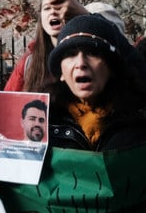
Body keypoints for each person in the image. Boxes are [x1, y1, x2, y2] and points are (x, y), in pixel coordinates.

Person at [47, 14, 146, 150]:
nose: (80, 63)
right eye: (71, 54)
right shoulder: (44, 122)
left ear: (111, 68)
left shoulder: (137, 122)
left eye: (92, 53)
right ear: (61, 73)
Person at [5, 0, 86, 92]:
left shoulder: (93, 54)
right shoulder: (30, 60)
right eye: (47, 8)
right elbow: (9, 101)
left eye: (59, 7)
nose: (53, 12)